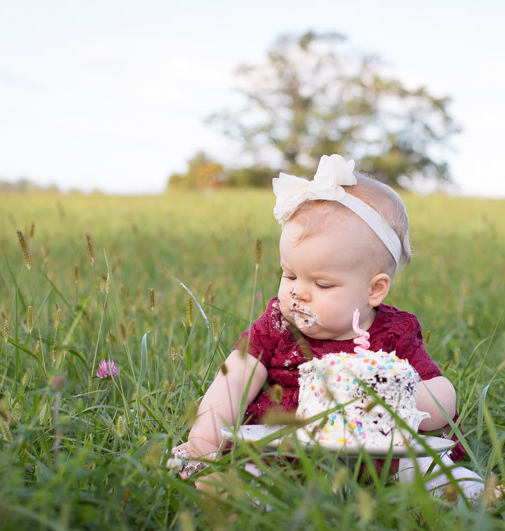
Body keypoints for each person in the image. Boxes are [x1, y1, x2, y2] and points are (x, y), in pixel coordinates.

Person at [172, 154, 484, 501]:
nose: (297, 292)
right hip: (290, 443)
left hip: (381, 449)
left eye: (322, 284)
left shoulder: (393, 333)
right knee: (259, 465)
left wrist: (398, 398)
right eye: (289, 275)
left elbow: (442, 395)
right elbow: (235, 377)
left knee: (423, 461)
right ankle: (244, 496)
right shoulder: (278, 325)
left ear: (374, 290)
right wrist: (204, 438)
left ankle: (459, 491)